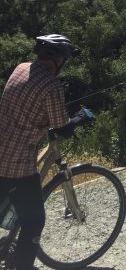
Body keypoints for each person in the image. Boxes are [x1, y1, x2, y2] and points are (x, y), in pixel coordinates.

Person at [0, 34, 93, 270]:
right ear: (58, 59)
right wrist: (80, 118)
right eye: (65, 59)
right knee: (34, 220)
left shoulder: (21, 68)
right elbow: (62, 127)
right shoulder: (51, 85)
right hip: (17, 161)